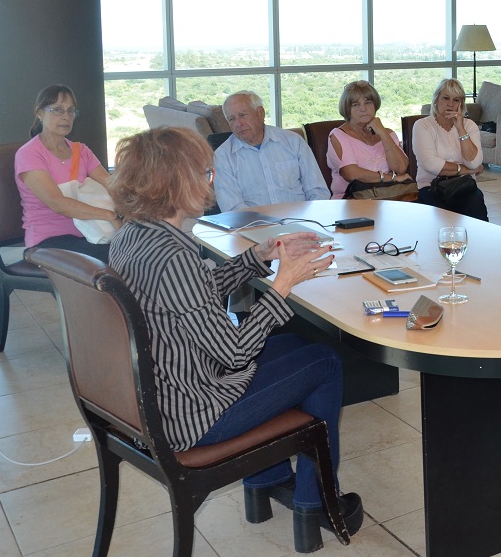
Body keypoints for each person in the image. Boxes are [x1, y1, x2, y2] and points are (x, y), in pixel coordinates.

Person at [107, 127, 363, 550]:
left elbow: (194, 299)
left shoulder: (133, 236)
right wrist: (284, 283)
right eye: (205, 172)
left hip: (163, 390)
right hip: (194, 415)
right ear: (180, 182)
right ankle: (314, 505)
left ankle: (268, 479)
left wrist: (259, 256)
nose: (211, 180)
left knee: (294, 348)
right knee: (325, 362)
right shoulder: (175, 257)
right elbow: (236, 352)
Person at [14, 84, 119, 262]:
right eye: (57, 110)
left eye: (71, 111)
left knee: (138, 250)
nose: (66, 117)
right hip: (47, 241)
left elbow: (112, 185)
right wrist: (109, 215)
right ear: (39, 113)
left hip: (90, 232)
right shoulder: (29, 154)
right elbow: (58, 203)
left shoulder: (81, 151)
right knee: (120, 258)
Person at [213, 91, 329, 211]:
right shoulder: (223, 157)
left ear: (260, 113)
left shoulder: (293, 142)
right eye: (231, 119)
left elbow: (318, 191)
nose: (238, 123)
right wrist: (265, 226)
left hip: (302, 221)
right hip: (255, 226)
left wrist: (312, 219)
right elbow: (233, 208)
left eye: (243, 115)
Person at [413, 78, 488, 220]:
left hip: (463, 186)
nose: (450, 104)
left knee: (476, 207)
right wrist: (468, 170)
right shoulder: (423, 125)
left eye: (456, 100)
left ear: (461, 104)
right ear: (436, 100)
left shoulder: (469, 126)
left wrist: (460, 129)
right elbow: (431, 165)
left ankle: (479, 241)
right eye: (446, 98)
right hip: (431, 186)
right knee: (443, 218)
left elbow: (473, 162)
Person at [326, 81, 412, 199]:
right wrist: (392, 178)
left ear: (375, 105)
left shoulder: (388, 134)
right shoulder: (338, 135)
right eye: (355, 104)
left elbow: (401, 168)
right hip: (351, 201)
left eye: (368, 102)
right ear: (347, 109)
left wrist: (382, 133)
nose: (363, 109)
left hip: (388, 198)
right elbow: (351, 174)